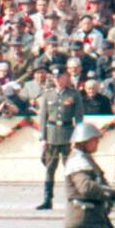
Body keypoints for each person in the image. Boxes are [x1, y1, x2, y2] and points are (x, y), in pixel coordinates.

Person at [35, 67, 83, 211]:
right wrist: (43, 136)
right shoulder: (48, 95)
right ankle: (47, 199)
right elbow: (43, 116)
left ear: (66, 77)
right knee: (50, 169)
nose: (57, 80)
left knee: (70, 169)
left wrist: (78, 138)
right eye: (55, 78)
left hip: (68, 134)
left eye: (60, 77)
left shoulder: (73, 95)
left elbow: (79, 118)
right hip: (52, 135)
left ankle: (74, 198)